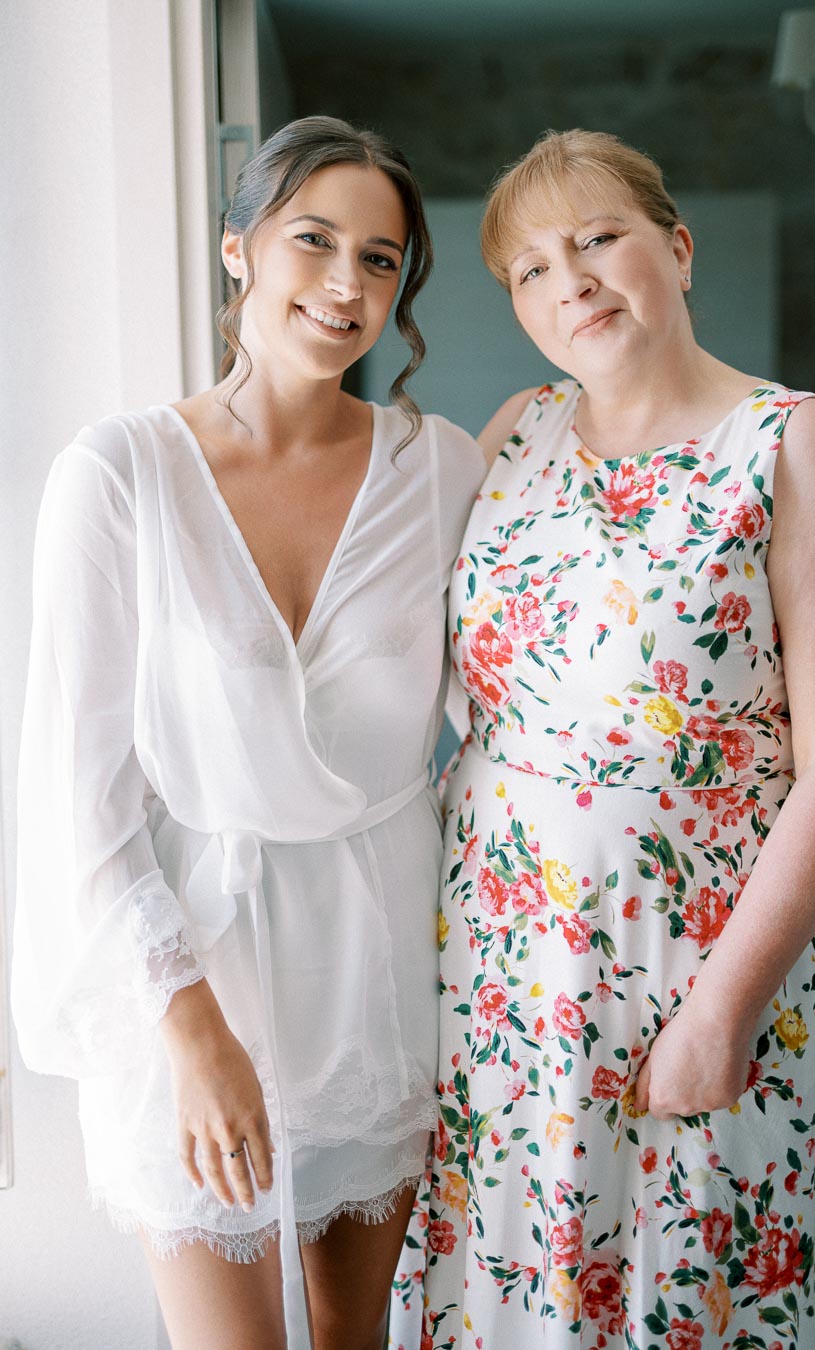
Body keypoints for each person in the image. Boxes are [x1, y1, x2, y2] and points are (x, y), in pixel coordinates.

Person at [408, 130, 815, 1348]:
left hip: (697, 968)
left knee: (700, 1293)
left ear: (676, 250)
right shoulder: (515, 432)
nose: (565, 279)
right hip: (503, 981)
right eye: (527, 269)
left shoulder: (792, 441)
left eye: (596, 238)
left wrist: (722, 1013)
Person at [12, 115, 486, 1350]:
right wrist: (192, 1027)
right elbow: (81, 790)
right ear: (238, 251)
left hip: (379, 964)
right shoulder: (117, 475)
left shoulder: (441, 471)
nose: (345, 286)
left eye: (381, 260)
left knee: (354, 1339)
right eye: (313, 242)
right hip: (188, 971)